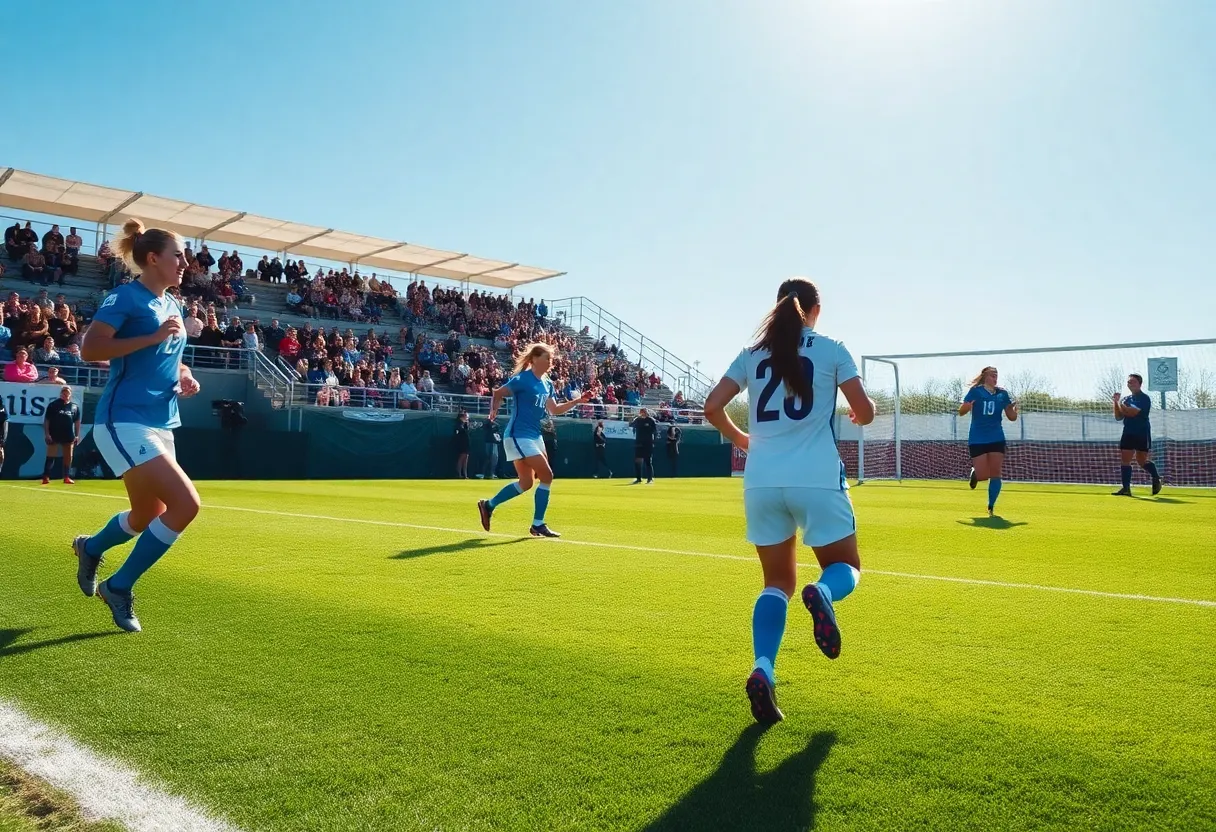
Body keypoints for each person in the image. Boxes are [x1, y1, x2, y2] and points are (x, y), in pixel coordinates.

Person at [703, 277, 875, 724]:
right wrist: (860, 410)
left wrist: (743, 438)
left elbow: (711, 405)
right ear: (815, 309)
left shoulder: (752, 353)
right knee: (846, 566)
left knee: (776, 582)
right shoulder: (833, 348)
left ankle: (763, 668)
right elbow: (867, 411)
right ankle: (824, 592)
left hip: (760, 480)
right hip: (814, 476)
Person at [72, 219, 201, 634]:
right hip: (123, 419)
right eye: (178, 255)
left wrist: (183, 373)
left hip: (161, 421)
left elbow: (167, 354)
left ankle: (90, 548)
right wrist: (150, 339)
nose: (185, 262)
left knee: (149, 513)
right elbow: (90, 349)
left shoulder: (172, 306)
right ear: (152, 258)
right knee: (187, 505)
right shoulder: (124, 297)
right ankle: (119, 585)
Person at [477, 343, 592, 538]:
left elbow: (554, 410)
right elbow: (498, 393)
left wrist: (577, 401)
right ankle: (538, 524)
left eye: (551, 358)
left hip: (534, 436)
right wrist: (493, 410)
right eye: (547, 358)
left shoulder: (547, 383)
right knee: (547, 475)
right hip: (518, 435)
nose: (550, 362)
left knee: (527, 483)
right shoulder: (522, 379)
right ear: (535, 359)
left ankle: (488, 505)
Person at [957, 366, 1019, 516]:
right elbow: (961, 412)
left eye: (996, 375)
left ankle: (991, 506)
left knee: (996, 473)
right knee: (983, 474)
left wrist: (1013, 410)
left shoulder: (1002, 394)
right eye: (992, 375)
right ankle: (976, 473)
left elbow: (1011, 417)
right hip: (977, 437)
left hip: (996, 437)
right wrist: (966, 406)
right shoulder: (975, 392)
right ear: (985, 377)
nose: (995, 378)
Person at [1112, 373, 1160, 496]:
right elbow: (1118, 416)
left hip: (1142, 432)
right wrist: (1116, 402)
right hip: (1128, 432)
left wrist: (1121, 405)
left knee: (1141, 461)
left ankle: (1156, 478)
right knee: (1125, 460)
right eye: (1129, 382)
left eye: (1133, 382)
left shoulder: (1144, 398)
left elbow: (1132, 412)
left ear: (1139, 384)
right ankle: (1126, 489)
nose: (1130, 384)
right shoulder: (1126, 399)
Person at [42, 386, 81, 485]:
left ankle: (66, 477)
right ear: (60, 394)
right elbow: (47, 420)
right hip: (54, 434)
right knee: (51, 455)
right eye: (63, 393)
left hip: (68, 435)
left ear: (70, 394)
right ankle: (46, 477)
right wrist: (47, 434)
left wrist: (77, 435)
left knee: (68, 456)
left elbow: (77, 422)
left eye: (67, 393)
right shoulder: (53, 405)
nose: (65, 395)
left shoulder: (74, 407)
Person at [630, 407, 658, 484]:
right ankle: (638, 479)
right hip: (639, 443)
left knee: (648, 461)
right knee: (637, 461)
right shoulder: (637, 420)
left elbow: (655, 432)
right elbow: (631, 424)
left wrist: (653, 442)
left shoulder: (651, 420)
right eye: (641, 412)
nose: (642, 413)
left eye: (644, 412)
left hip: (648, 443)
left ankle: (650, 479)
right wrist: (632, 419)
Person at [483, 415, 503, 479]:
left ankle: (492, 473)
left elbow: (497, 429)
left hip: (494, 442)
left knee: (494, 458)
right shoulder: (487, 423)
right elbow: (486, 426)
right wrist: (489, 420)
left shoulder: (496, 424)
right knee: (489, 458)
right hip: (489, 442)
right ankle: (487, 474)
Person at [454, 411, 471, 479]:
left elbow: (467, 431)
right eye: (466, 417)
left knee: (466, 458)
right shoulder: (458, 424)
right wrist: (464, 423)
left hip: (467, 442)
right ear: (461, 417)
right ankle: (459, 474)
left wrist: (467, 424)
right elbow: (459, 430)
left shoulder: (465, 424)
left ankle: (465, 474)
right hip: (461, 443)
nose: (467, 418)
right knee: (461, 458)